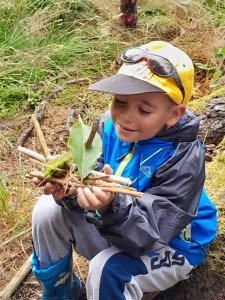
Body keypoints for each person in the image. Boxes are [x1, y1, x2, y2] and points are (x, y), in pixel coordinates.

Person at [31, 40, 217, 300]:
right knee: (46, 210)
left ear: (174, 114)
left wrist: (110, 207)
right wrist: (70, 191)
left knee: (107, 270)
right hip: (118, 226)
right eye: (120, 101)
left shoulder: (183, 156)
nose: (126, 117)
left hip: (172, 243)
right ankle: (62, 293)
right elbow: (90, 179)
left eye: (144, 109)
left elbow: (154, 231)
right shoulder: (108, 126)